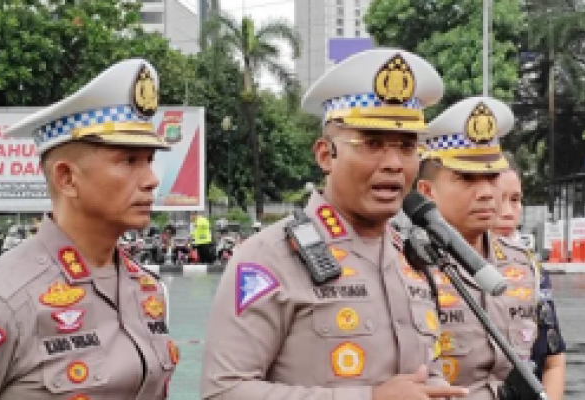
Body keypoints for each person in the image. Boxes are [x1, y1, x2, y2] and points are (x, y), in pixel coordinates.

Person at [200, 48, 469, 399]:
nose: (393, 163)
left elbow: (425, 374)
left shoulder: (413, 260)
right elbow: (223, 390)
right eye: (371, 143)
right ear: (326, 155)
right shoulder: (268, 258)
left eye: (406, 147)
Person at [0, 59, 178, 399]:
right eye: (128, 160)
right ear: (67, 178)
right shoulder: (2, 302)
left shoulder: (149, 290)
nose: (151, 180)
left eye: (149, 160)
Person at [416, 96, 539, 399]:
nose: (486, 193)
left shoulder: (522, 263)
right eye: (467, 179)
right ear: (427, 191)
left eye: (491, 177)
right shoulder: (410, 264)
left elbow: (546, 359)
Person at [493, 153, 566, 400]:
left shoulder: (532, 270)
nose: (507, 212)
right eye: (496, 200)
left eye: (515, 199)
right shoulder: (433, 267)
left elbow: (553, 361)